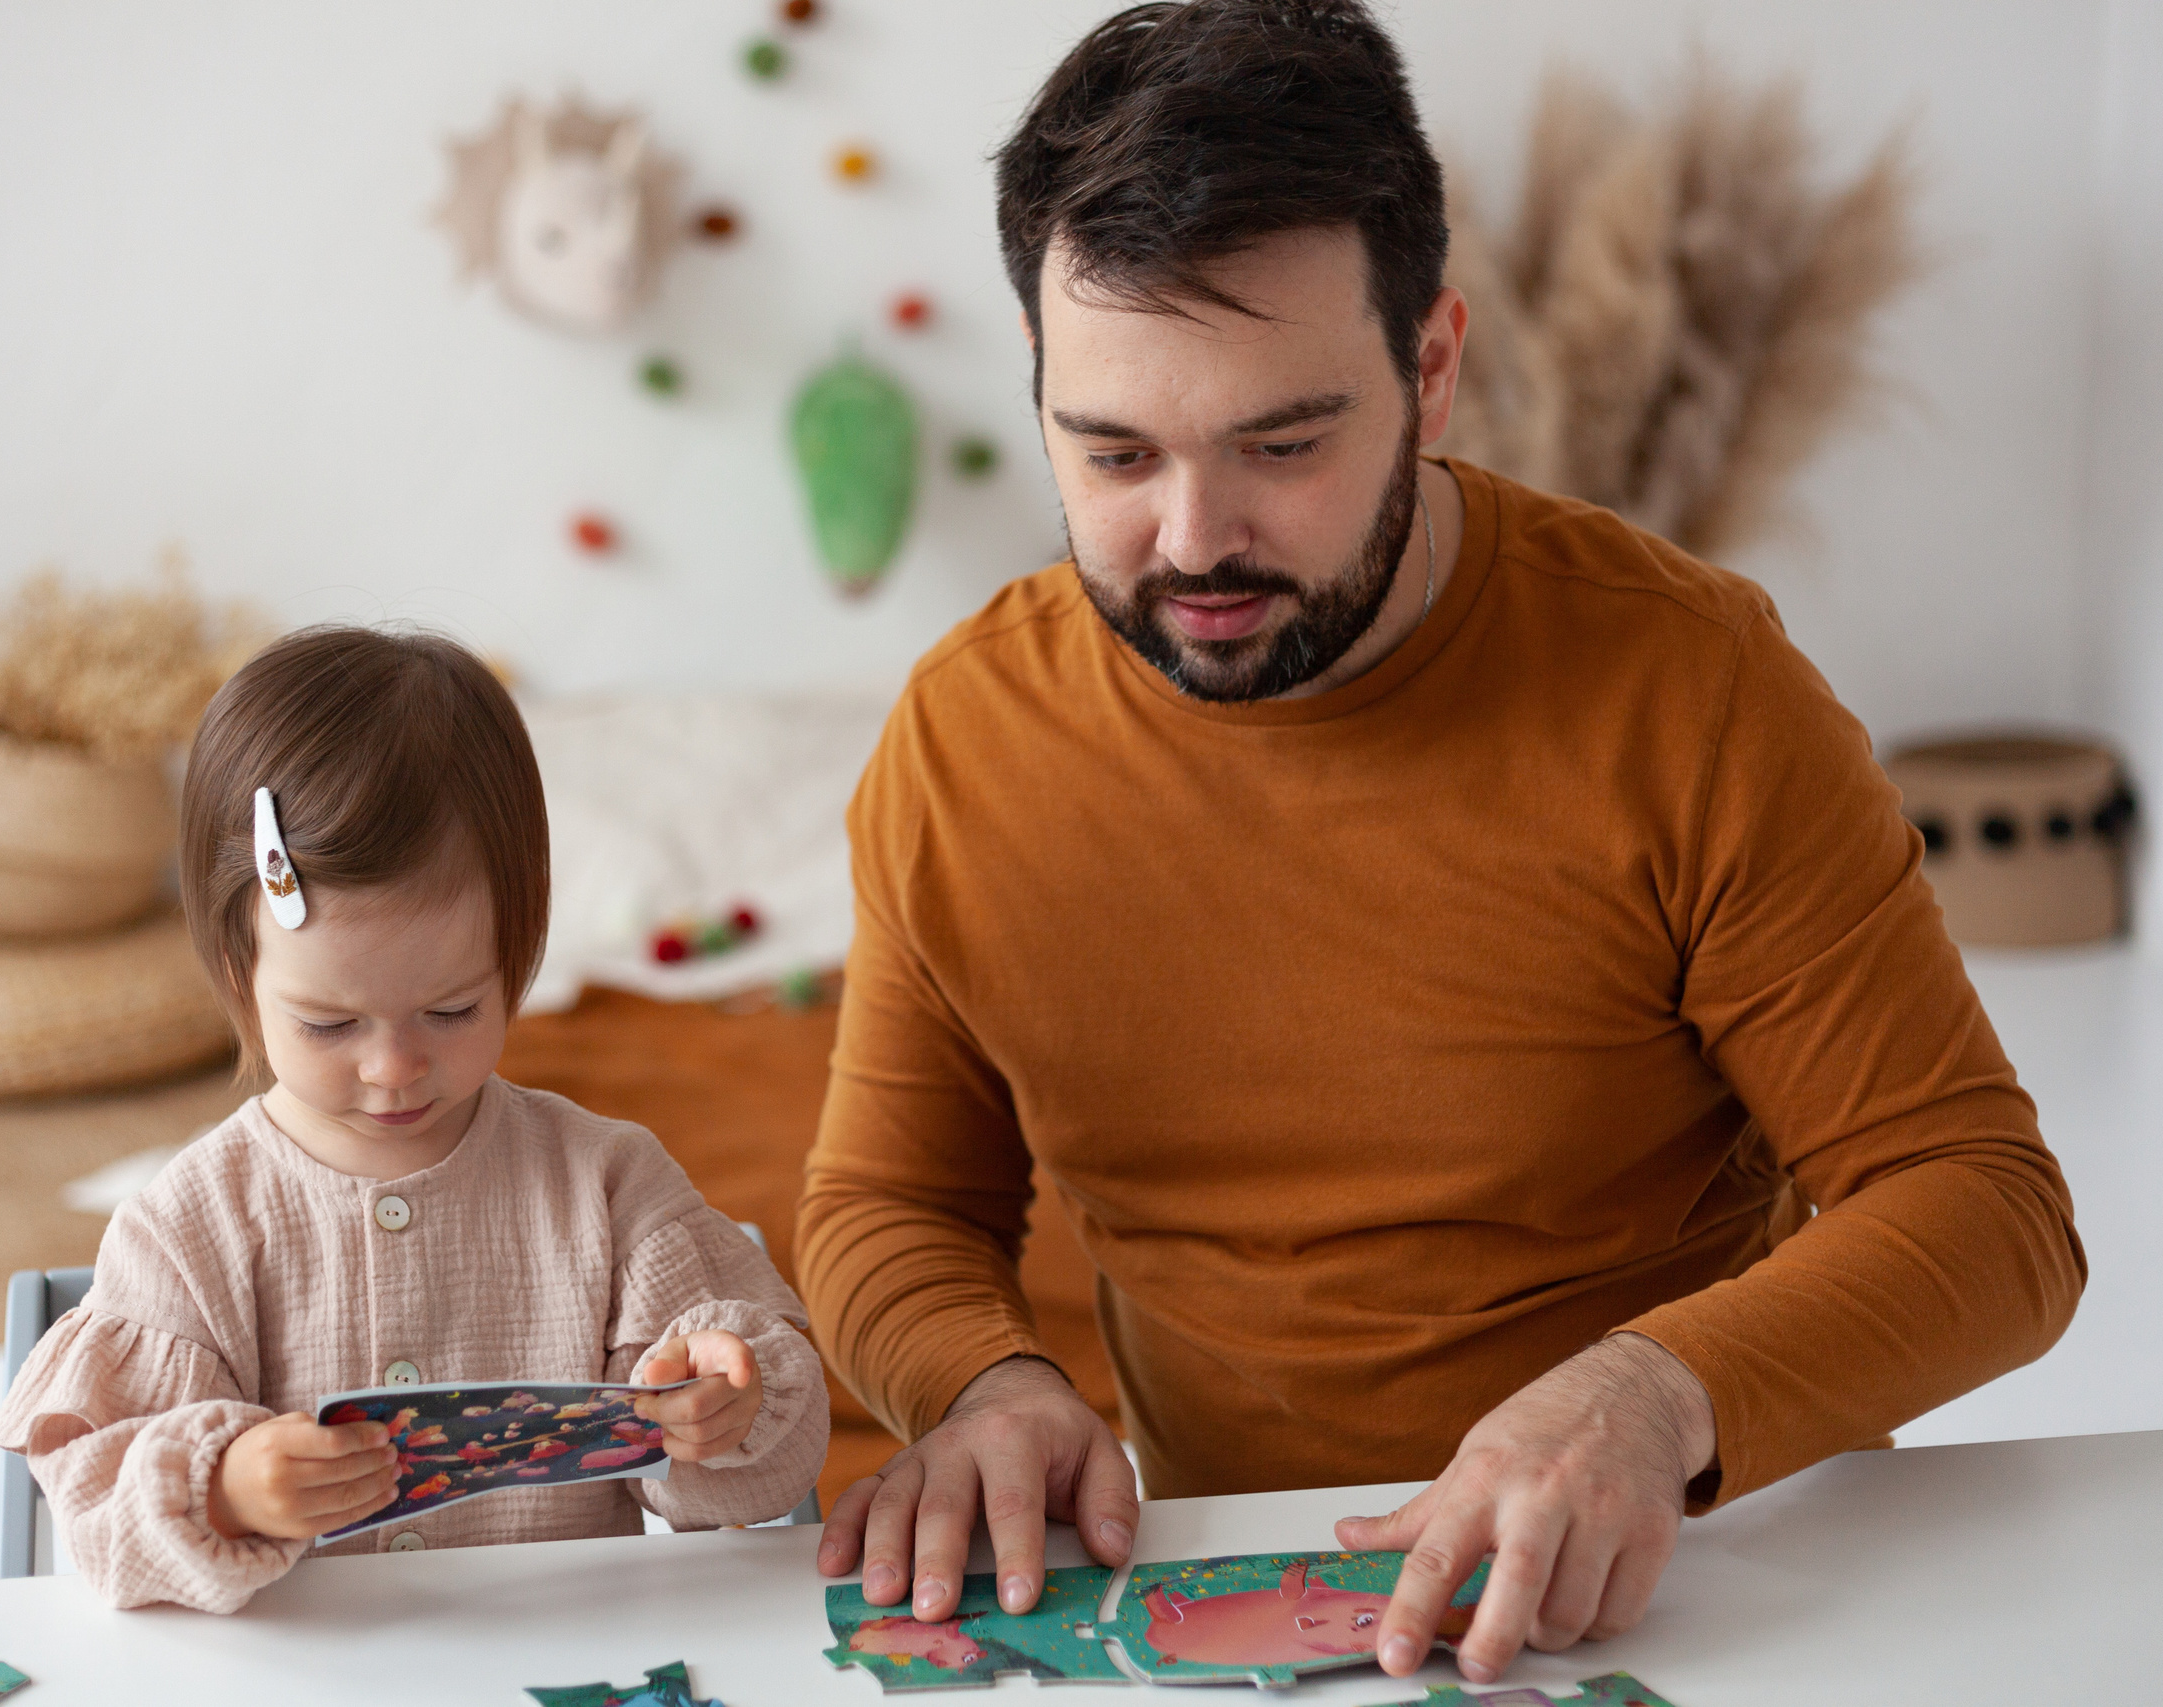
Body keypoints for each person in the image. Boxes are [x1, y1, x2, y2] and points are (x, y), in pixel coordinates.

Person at [797, 0, 2084, 1687]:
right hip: (1231, 1612)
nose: (1193, 539)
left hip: (1701, 1586)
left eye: (1284, 442)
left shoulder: (1691, 689)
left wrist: (1655, 1391)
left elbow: (1988, 1211)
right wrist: (980, 1380)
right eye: (1112, 450)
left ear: (1433, 368)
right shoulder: (966, 741)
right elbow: (891, 1196)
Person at [0, 627, 827, 1612]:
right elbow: (97, 1526)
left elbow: (760, 1476)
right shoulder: (188, 1228)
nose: (394, 1067)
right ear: (235, 976)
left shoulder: (607, 1184)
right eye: (330, 1022)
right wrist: (228, 1489)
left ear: (518, 957)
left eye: (452, 1010)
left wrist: (724, 1405)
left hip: (554, 1663)